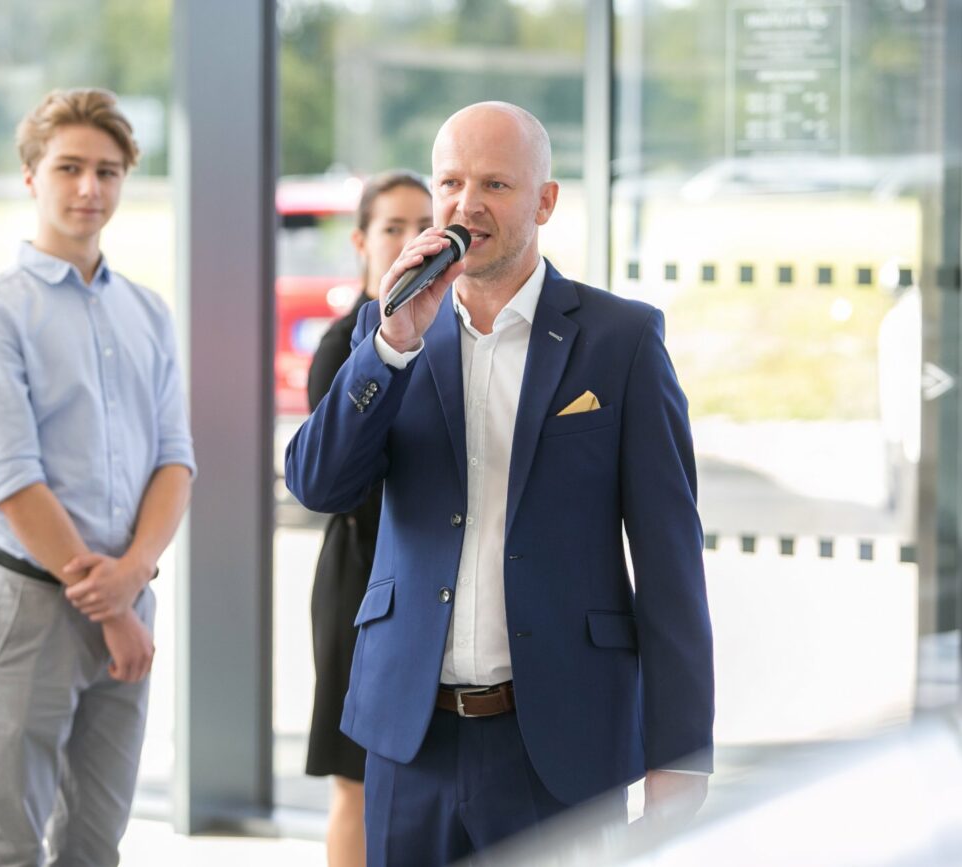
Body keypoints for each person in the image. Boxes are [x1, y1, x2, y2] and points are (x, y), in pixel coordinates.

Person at [285, 102, 714, 865]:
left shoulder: (620, 341)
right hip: (410, 737)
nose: (466, 203)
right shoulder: (390, 333)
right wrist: (391, 345)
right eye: (450, 182)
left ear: (544, 202)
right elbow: (318, 484)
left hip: (560, 740)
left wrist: (680, 751)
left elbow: (670, 559)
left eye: (495, 184)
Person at [0, 88, 195, 867]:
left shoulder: (148, 313)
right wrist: (112, 603)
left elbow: (175, 459)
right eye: (69, 168)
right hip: (30, 605)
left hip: (129, 594)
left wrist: (133, 577)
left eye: (108, 171)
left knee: (95, 844)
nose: (90, 188)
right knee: (9, 845)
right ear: (31, 176)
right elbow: (14, 478)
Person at [304, 171, 434, 867]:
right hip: (361, 575)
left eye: (424, 226)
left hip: (419, 578)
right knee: (356, 779)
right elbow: (335, 478)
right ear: (361, 242)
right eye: (393, 227)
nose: (411, 240)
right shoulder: (344, 345)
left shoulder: (443, 334)